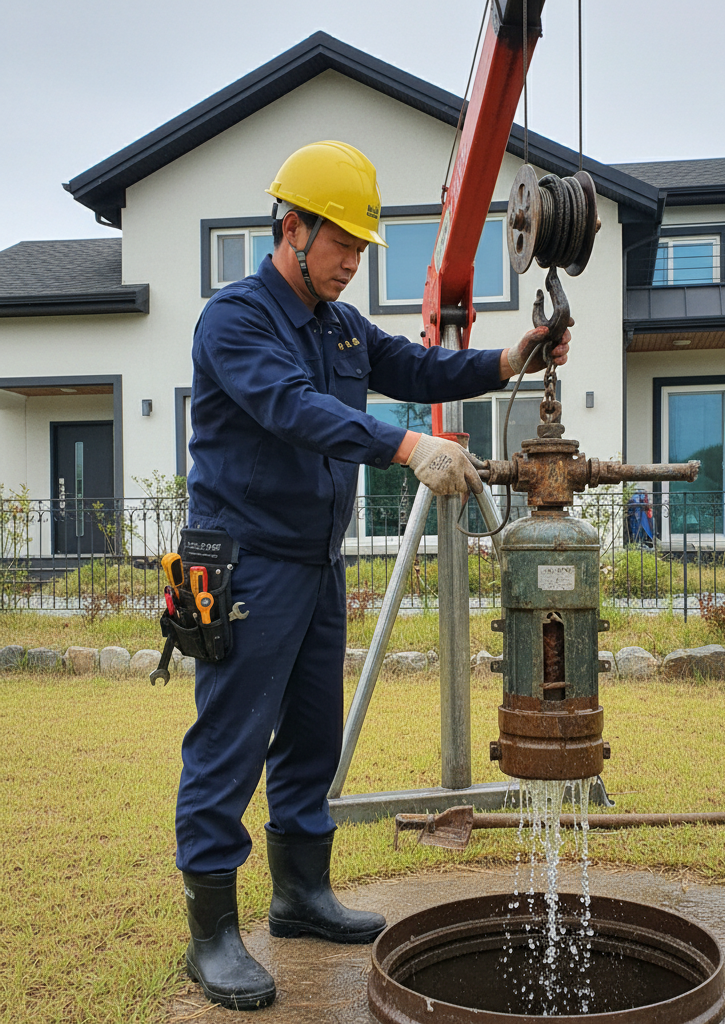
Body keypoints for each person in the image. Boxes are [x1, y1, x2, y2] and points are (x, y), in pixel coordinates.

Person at [176, 140, 569, 1011]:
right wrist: (405, 443)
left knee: (313, 736)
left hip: (314, 563)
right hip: (244, 563)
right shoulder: (235, 320)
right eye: (341, 245)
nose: (353, 263)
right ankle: (211, 935)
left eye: (360, 249)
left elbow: (418, 366)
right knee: (230, 743)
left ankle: (299, 896)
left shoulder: (340, 326)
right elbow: (294, 408)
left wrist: (512, 360)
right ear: (292, 229)